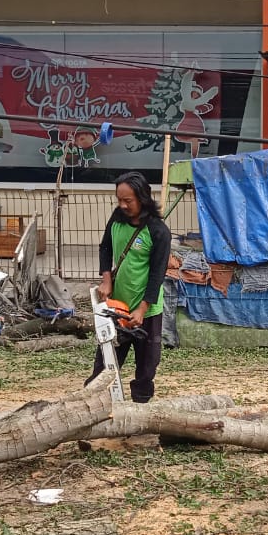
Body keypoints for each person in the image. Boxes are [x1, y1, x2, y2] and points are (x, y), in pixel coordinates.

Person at [87, 172, 172, 403]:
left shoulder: (158, 231)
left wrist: (142, 309)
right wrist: (106, 279)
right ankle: (90, 405)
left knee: (147, 366)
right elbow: (105, 248)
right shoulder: (117, 218)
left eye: (128, 201)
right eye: (119, 200)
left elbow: (157, 274)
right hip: (117, 307)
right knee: (106, 361)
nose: (122, 205)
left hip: (147, 311)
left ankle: (140, 409)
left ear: (142, 198)